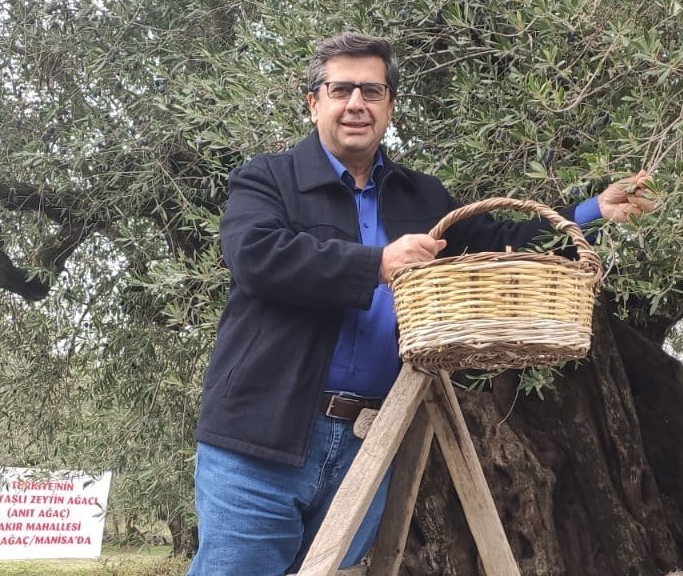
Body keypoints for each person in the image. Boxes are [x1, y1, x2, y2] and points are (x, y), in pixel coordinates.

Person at [187, 32, 655, 575]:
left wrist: (593, 212)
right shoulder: (267, 179)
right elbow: (256, 255)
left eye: (372, 91)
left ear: (390, 106)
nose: (356, 104)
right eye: (341, 90)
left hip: (368, 436)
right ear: (314, 102)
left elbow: (502, 243)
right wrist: (378, 263)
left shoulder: (423, 196)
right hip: (260, 436)